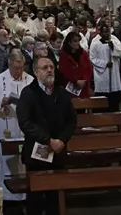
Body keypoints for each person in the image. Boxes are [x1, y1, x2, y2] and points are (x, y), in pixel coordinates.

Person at [17, 57, 76, 215]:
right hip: (36, 152)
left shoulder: (61, 93)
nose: (49, 70)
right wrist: (48, 140)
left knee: (55, 198)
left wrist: (62, 140)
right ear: (36, 72)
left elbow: (72, 121)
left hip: (58, 152)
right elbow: (25, 122)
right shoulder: (28, 93)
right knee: (35, 198)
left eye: (51, 67)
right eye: (44, 68)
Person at [0, 50, 33, 205]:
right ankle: (4, 195)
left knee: (22, 161)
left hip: (24, 127)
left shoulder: (30, 80)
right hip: (4, 124)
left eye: (21, 67)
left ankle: (24, 196)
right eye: (16, 68)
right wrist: (1, 101)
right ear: (9, 65)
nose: (19, 71)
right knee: (3, 159)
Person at [89, 25, 121, 111]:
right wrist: (105, 64)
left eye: (108, 31)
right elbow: (92, 58)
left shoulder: (114, 40)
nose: (107, 34)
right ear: (100, 32)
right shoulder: (95, 42)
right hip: (102, 74)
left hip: (114, 73)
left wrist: (113, 48)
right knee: (102, 101)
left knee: (114, 99)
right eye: (104, 32)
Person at [57, 31, 92, 98]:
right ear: (69, 42)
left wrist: (85, 80)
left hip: (84, 87)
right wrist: (75, 81)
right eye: (75, 41)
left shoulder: (83, 53)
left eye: (79, 41)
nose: (78, 43)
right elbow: (63, 71)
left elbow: (89, 69)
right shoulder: (63, 54)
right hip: (70, 87)